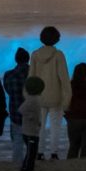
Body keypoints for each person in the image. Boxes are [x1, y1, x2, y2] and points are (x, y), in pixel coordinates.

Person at [29, 25, 71, 160]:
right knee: (55, 127)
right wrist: (67, 99)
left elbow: (31, 77)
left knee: (39, 127)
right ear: (56, 39)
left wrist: (30, 96)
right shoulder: (59, 55)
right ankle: (54, 153)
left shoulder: (35, 54)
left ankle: (39, 153)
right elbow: (64, 79)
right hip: (55, 97)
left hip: (39, 97)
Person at [2, 47, 30, 163]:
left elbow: (8, 91)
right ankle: (30, 162)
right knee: (32, 140)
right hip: (32, 112)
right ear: (28, 59)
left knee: (17, 139)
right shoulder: (34, 73)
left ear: (16, 59)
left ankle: (17, 163)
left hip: (15, 111)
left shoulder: (8, 75)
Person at [19, 76, 45, 171]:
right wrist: (32, 118)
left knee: (30, 152)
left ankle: (24, 169)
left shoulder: (33, 99)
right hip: (30, 133)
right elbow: (22, 110)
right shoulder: (33, 100)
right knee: (32, 153)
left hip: (30, 131)